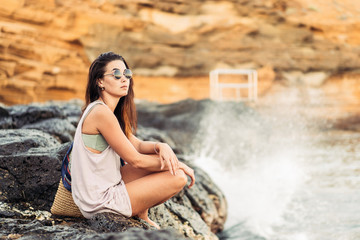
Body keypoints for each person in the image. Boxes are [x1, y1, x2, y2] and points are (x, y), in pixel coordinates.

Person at [70, 52, 195, 229]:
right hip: (99, 201)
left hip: (105, 185)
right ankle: (137, 209)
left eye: (127, 73)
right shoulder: (101, 113)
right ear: (100, 81)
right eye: (116, 74)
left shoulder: (107, 111)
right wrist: (177, 164)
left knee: (163, 169)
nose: (124, 79)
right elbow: (136, 160)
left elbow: (137, 145)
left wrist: (161, 146)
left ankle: (140, 211)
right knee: (178, 177)